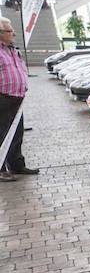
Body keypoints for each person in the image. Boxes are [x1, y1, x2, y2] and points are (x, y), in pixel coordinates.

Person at [0, 16, 37, 182]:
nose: (14, 33)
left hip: (17, 98)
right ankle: (1, 169)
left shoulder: (13, 50)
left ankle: (16, 165)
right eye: (10, 31)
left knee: (16, 133)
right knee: (2, 134)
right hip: (3, 98)